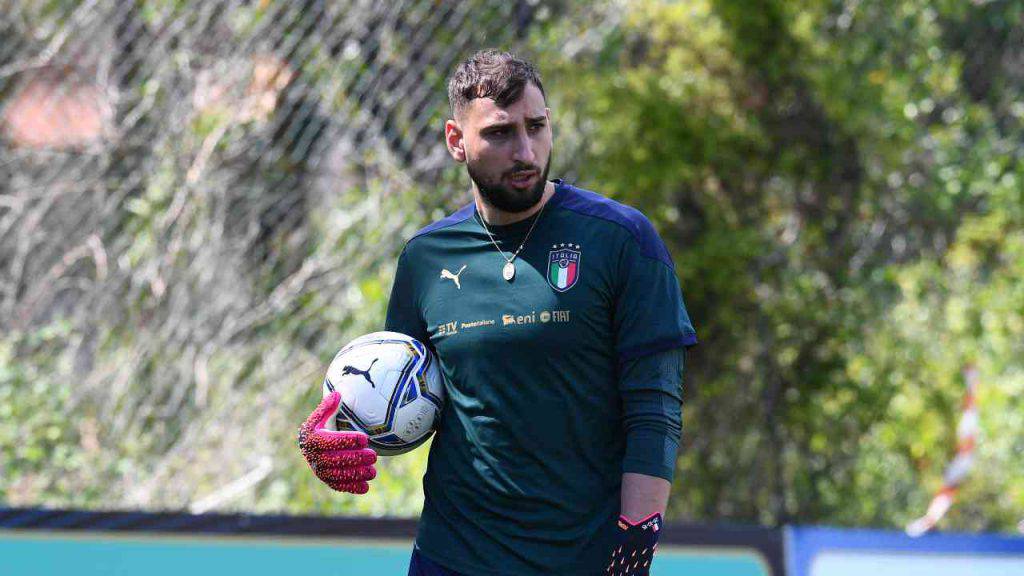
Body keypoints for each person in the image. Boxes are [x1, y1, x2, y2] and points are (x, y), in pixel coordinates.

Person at [298, 49, 697, 575]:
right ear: (456, 141)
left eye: (537, 127)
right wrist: (332, 438)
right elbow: (401, 400)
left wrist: (637, 541)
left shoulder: (621, 239)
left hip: (581, 559)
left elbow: (656, 407)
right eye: (501, 133)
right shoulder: (425, 258)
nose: (526, 151)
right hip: (453, 556)